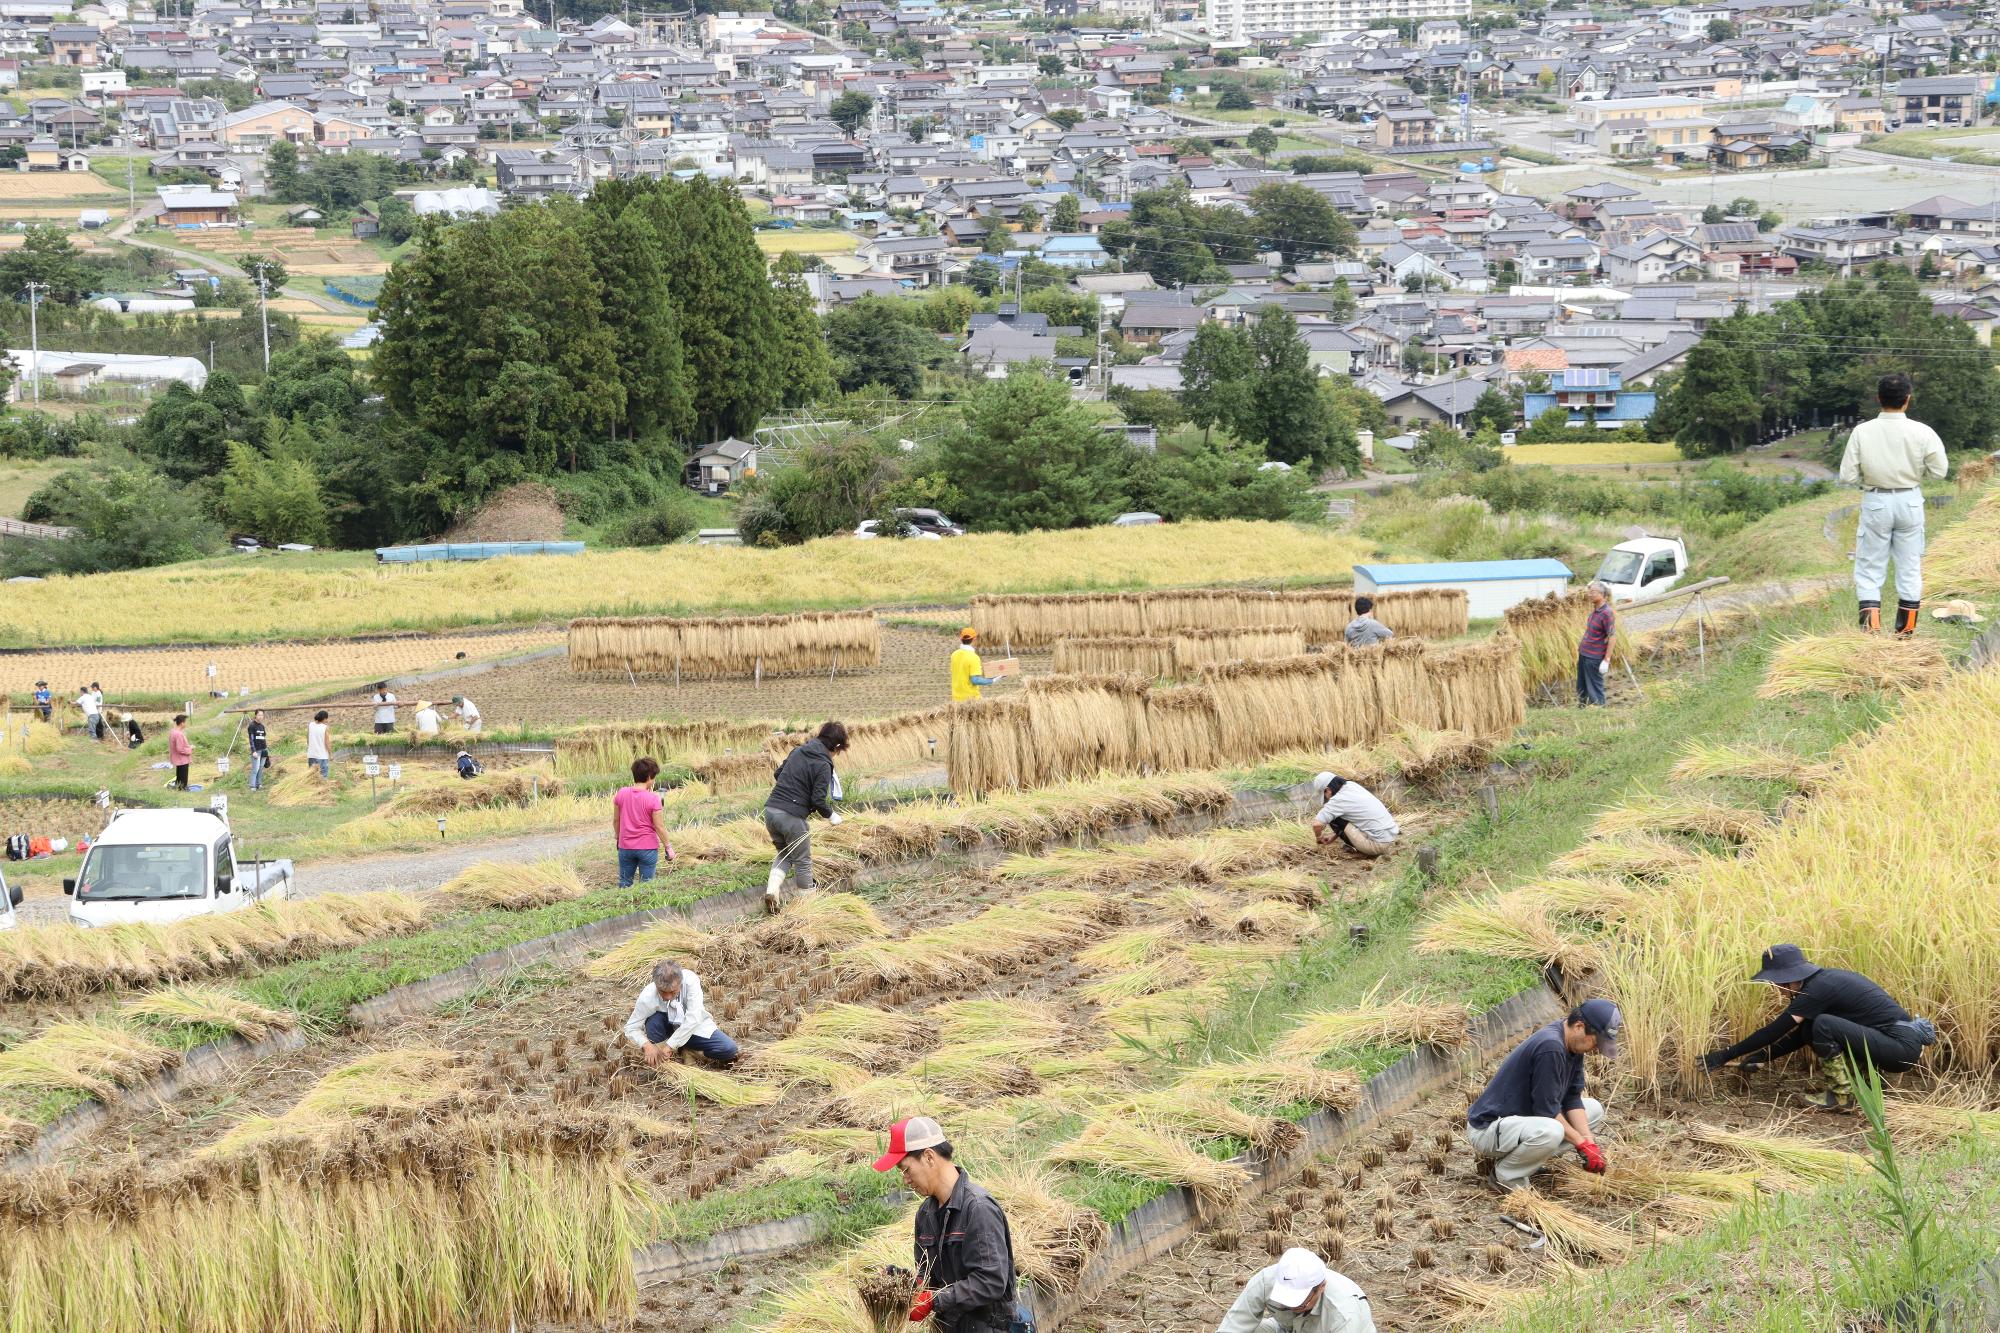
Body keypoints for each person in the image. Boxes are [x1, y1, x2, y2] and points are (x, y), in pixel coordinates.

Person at [1702, 943, 1935, 1113]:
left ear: (1789, 978)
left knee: (1823, 1023)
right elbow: (1800, 1036)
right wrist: (1763, 1055)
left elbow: (1775, 1030)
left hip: (1900, 1049)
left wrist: (1725, 1054)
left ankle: (1841, 1097)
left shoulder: (1817, 989)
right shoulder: (1822, 981)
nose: (1778, 989)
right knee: (1813, 1026)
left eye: (1777, 984)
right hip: (1894, 1044)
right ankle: (1867, 1089)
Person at [873, 1115, 1020, 1333]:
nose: (905, 1180)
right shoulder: (925, 1215)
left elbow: (990, 1282)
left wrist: (934, 1301)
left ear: (929, 1157)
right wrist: (901, 1285)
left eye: (906, 1169)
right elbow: (929, 1277)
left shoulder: (978, 1208)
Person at [1465, 999, 1620, 1190]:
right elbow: (1547, 1111)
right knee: (1552, 1130)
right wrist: (1580, 1143)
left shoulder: (1573, 1044)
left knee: (1594, 1110)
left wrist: (1590, 1143)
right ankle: (1505, 1176)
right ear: (1580, 1027)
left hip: (1522, 1121)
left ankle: (1526, 1161)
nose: (1597, 1049)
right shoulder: (1551, 1047)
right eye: (1597, 1042)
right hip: (1489, 1129)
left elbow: (1572, 1097)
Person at [1838, 373, 1949, 636]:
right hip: (1910, 500)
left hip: (1876, 500)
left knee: (1869, 568)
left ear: (1878, 398)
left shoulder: (1862, 432)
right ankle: (1904, 634)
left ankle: (1871, 634)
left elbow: (1847, 476)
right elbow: (1940, 472)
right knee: (1909, 567)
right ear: (1907, 400)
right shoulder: (1923, 432)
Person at [762, 720, 848, 912]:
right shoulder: (824, 764)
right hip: (791, 817)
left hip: (771, 811)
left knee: (785, 853)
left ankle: (772, 890)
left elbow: (778, 774)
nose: (837, 755)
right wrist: (832, 815)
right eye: (839, 750)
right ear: (835, 746)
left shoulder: (798, 751)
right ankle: (808, 908)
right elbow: (818, 800)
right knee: (803, 861)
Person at [1217, 1247, 1376, 1333]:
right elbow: (1234, 1325)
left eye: (1301, 1303)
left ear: (1321, 1287)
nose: (1293, 1308)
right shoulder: (1266, 1281)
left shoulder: (1344, 1316)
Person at [623, 957, 738, 1067]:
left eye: (673, 992)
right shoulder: (647, 996)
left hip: (691, 1030)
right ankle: (662, 1060)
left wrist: (671, 1045)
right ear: (656, 985)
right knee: (654, 1020)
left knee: (729, 1049)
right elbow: (631, 1027)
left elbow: (694, 1018)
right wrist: (646, 1045)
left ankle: (689, 1051)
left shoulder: (691, 981)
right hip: (665, 1031)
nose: (668, 997)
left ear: (680, 983)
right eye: (662, 992)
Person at [613, 756, 673, 887]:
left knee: (624, 883)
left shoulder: (621, 793)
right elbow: (659, 826)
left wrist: (618, 838)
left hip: (625, 847)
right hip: (647, 848)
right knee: (646, 886)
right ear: (650, 777)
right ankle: (645, 908)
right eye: (654, 777)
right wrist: (668, 847)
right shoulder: (653, 798)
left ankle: (625, 907)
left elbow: (616, 820)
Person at [1309, 771, 1399, 859]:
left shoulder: (1337, 801)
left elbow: (1317, 824)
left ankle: (1357, 850)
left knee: (1334, 818)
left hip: (1378, 845)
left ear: (1328, 790)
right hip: (1393, 837)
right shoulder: (1351, 785)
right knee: (1342, 815)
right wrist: (1334, 835)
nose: (1326, 798)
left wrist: (1319, 837)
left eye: (1324, 795)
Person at [1576, 581, 1614, 707]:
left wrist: (1606, 660)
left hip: (1594, 658)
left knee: (1595, 689)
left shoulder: (1607, 613)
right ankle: (1583, 710)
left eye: (1593, 592)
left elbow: (1612, 636)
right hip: (1584, 655)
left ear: (1602, 595)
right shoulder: (1595, 612)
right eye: (1589, 592)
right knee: (1582, 687)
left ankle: (1600, 713)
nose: (1590, 595)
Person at [949, 628, 1007, 703]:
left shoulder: (954, 655)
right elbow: (975, 680)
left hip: (956, 699)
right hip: (971, 700)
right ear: (974, 639)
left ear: (961, 639)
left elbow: (962, 672)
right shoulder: (974, 658)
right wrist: (993, 680)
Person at [167, 714, 192, 790]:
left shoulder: (173, 731)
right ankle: (182, 790)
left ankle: (179, 788)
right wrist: (190, 749)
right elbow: (180, 749)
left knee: (179, 777)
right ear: (182, 723)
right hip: (182, 759)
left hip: (177, 758)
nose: (186, 724)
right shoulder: (179, 734)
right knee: (183, 779)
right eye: (185, 722)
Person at [305, 709, 331, 779]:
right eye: (326, 719)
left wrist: (310, 748)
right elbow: (327, 743)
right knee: (323, 777)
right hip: (321, 756)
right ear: (324, 718)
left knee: (313, 777)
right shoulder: (324, 727)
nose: (326, 721)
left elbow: (308, 738)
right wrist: (330, 754)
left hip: (311, 755)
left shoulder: (310, 725)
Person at [247, 709, 269, 791]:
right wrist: (253, 751)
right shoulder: (252, 726)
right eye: (259, 715)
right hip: (256, 751)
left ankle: (259, 784)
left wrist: (266, 750)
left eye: (262, 715)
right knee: (255, 769)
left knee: (260, 768)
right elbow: (251, 739)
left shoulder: (262, 726)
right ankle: (252, 786)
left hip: (263, 750)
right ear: (255, 715)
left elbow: (263, 738)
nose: (261, 717)